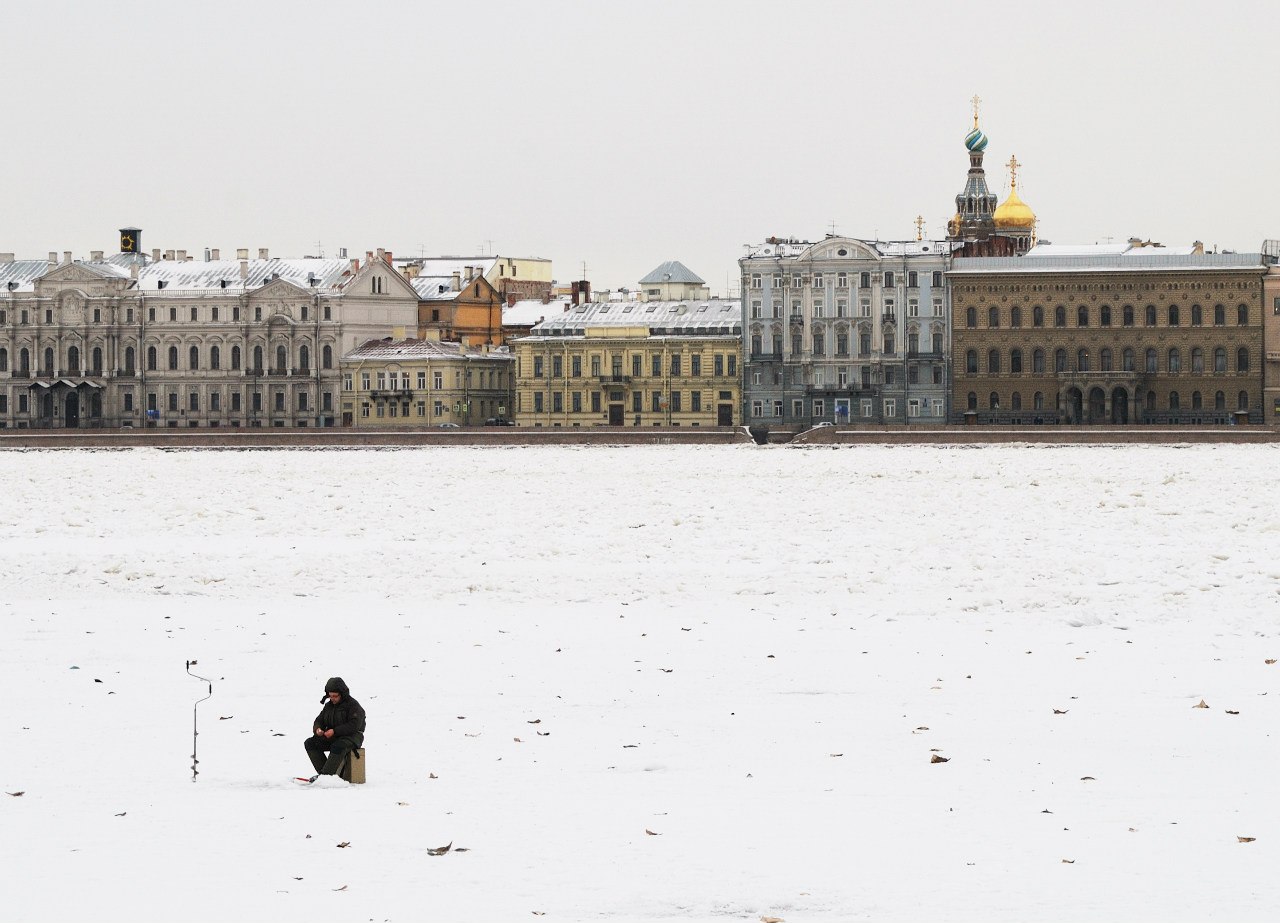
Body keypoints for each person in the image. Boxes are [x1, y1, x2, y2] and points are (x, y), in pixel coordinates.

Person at [303, 677, 366, 782]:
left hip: (352, 737)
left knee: (338, 746)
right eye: (330, 696)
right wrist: (318, 729)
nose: (332, 699)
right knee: (310, 743)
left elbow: (354, 725)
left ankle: (325, 776)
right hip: (334, 736)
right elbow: (319, 720)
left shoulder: (353, 705)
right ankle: (325, 775)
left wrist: (335, 731)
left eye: (335, 696)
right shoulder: (328, 706)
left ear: (342, 694)